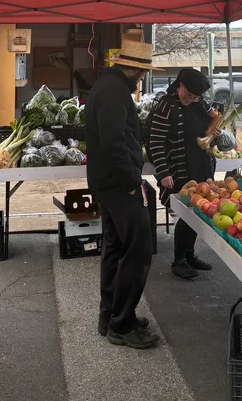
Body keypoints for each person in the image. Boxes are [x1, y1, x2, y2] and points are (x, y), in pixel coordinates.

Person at [86, 40, 160, 350]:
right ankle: (121, 323)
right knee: (139, 248)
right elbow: (113, 143)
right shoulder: (115, 92)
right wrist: (133, 181)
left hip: (108, 182)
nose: (141, 78)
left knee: (115, 248)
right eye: (141, 73)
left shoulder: (107, 86)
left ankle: (110, 316)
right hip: (119, 183)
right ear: (130, 68)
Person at [148, 69, 219, 280]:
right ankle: (178, 260)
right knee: (187, 214)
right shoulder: (166, 107)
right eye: (188, 95)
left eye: (195, 97)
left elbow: (209, 126)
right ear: (179, 85)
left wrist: (215, 132)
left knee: (198, 212)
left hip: (200, 166)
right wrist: (163, 172)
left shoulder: (200, 104)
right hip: (178, 169)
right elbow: (155, 141)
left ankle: (189, 254)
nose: (191, 99)